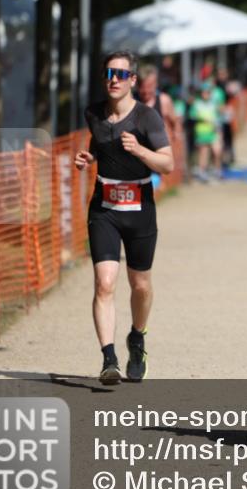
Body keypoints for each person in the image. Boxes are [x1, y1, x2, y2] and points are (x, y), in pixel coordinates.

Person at [74, 51, 174, 384]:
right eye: (108, 73)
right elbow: (101, 144)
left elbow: (168, 164)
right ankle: (109, 358)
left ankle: (137, 336)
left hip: (140, 208)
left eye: (121, 73)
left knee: (140, 285)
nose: (113, 79)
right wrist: (89, 157)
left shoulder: (147, 118)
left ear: (132, 79)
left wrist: (140, 151)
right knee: (104, 283)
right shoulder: (94, 113)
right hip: (104, 208)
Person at [190, 81, 222, 182]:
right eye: (204, 92)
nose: (206, 94)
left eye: (208, 92)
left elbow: (218, 117)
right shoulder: (197, 104)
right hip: (202, 133)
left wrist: (218, 128)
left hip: (213, 132)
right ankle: (202, 172)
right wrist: (203, 119)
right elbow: (192, 115)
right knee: (203, 153)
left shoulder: (214, 104)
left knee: (217, 151)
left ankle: (217, 170)